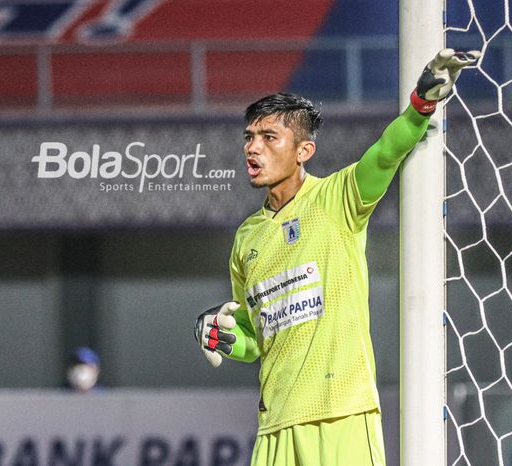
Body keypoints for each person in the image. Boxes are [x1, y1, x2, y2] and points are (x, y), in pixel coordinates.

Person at [194, 48, 480, 466]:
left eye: (268, 138)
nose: (252, 150)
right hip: (274, 426)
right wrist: (221, 335)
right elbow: (255, 337)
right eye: (249, 138)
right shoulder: (246, 239)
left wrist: (421, 106)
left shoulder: (336, 199)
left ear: (303, 150)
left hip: (341, 413)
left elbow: (385, 153)